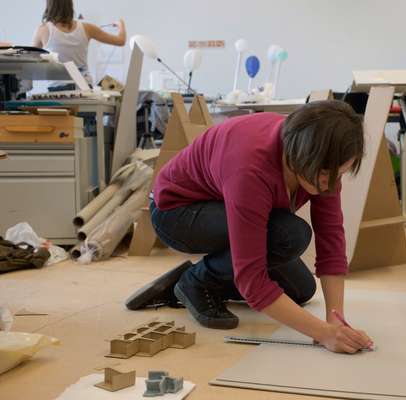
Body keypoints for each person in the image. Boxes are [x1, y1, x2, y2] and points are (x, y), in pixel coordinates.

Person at [149, 100, 373, 354]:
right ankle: (196, 281)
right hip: (177, 213)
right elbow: (252, 281)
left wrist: (336, 320)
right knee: (288, 236)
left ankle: (195, 279)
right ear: (301, 156)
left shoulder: (322, 162)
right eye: (326, 174)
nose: (331, 184)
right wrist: (322, 334)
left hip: (224, 202)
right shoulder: (251, 168)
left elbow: (331, 240)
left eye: (340, 174)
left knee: (301, 290)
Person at [32, 0, 126, 88]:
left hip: (57, 90)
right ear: (70, 5)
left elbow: (30, 61)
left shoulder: (43, 30)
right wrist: (121, 25)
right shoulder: (87, 28)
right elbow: (121, 40)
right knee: (116, 88)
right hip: (85, 88)